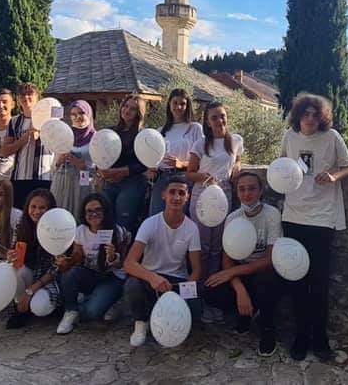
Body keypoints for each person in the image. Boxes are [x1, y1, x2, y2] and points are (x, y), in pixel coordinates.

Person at [279, 93, 348, 362]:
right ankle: (300, 338)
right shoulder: (289, 137)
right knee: (297, 281)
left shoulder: (331, 137)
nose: (310, 118)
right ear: (298, 115)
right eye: (306, 113)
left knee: (319, 283)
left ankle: (320, 339)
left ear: (321, 117)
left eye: (315, 114)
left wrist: (334, 176)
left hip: (322, 218)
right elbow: (281, 167)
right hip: (293, 217)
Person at [203, 171, 282, 356]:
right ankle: (245, 314)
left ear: (261, 191)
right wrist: (240, 290)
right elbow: (227, 259)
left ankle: (267, 329)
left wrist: (232, 272)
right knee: (210, 291)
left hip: (264, 271)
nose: (247, 194)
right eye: (242, 189)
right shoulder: (232, 218)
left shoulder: (272, 214)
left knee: (266, 283)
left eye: (252, 189)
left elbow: (270, 259)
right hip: (242, 273)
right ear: (237, 192)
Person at [123, 175, 202, 347]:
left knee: (197, 313)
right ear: (163, 195)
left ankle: (163, 314)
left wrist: (185, 294)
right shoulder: (150, 224)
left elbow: (196, 269)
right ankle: (141, 322)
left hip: (176, 281)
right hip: (150, 278)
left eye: (181, 193)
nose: (176, 197)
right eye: (172, 192)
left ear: (187, 197)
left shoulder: (192, 228)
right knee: (132, 285)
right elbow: (129, 263)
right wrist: (152, 277)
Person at [186, 101, 243, 322]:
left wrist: (236, 167)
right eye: (214, 117)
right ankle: (197, 297)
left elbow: (237, 160)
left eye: (222, 115)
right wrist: (205, 177)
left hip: (224, 197)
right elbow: (189, 173)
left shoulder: (235, 140)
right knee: (201, 248)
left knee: (217, 249)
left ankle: (211, 297)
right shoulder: (201, 143)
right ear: (207, 122)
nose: (219, 120)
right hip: (202, 196)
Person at [56, 193, 132, 334]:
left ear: (105, 211)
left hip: (112, 277)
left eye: (98, 210)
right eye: (89, 211)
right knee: (68, 274)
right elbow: (77, 256)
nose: (94, 214)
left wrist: (112, 257)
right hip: (91, 274)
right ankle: (70, 311)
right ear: (84, 214)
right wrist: (68, 261)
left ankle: (110, 302)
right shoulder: (80, 231)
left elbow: (123, 264)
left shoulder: (117, 231)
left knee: (92, 312)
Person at [6, 189, 61, 329]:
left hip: (48, 279)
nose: (37, 211)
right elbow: (14, 253)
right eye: (33, 207)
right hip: (29, 274)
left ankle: (46, 305)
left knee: (40, 308)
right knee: (15, 271)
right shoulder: (21, 225)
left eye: (42, 208)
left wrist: (31, 290)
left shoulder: (58, 230)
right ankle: (20, 309)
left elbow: (55, 268)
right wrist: (11, 256)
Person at [97, 95, 148, 234]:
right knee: (104, 220)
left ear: (139, 113)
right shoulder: (110, 131)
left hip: (132, 184)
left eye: (133, 109)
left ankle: (122, 248)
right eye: (126, 106)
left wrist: (121, 171)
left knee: (123, 224)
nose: (127, 110)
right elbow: (98, 154)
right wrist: (101, 171)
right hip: (109, 183)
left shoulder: (142, 135)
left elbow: (144, 164)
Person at [148, 88, 203, 216]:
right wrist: (152, 169)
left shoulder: (195, 128)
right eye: (175, 103)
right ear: (169, 104)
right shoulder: (160, 131)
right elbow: (154, 157)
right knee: (155, 216)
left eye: (182, 104)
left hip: (183, 178)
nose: (178, 107)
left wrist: (181, 163)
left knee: (178, 218)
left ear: (187, 106)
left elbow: (202, 159)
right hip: (162, 178)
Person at [0, 83, 54, 209]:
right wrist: (24, 139)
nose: (26, 97)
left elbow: (59, 145)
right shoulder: (14, 121)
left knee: (42, 214)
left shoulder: (50, 120)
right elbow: (4, 151)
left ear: (37, 97)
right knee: (19, 215)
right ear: (18, 99)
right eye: (22, 94)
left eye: (30, 94)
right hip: (20, 178)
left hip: (44, 177)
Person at [51, 100, 96, 219]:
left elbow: (96, 172)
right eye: (73, 114)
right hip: (62, 183)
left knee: (79, 216)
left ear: (89, 114)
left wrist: (82, 167)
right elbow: (53, 166)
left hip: (82, 185)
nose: (77, 117)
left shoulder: (96, 138)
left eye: (81, 113)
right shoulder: (64, 135)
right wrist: (59, 161)